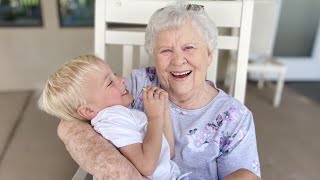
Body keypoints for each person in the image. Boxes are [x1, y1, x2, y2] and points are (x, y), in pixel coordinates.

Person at [57, 1, 262, 179]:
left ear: (209, 55)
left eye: (189, 47)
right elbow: (72, 118)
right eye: (166, 50)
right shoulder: (135, 86)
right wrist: (116, 169)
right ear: (153, 56)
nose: (178, 60)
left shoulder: (234, 118)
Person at [38, 55, 184, 180]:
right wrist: (155, 117)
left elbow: (168, 152)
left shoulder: (121, 114)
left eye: (115, 74)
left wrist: (163, 108)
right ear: (88, 110)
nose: (121, 80)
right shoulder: (111, 120)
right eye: (109, 83)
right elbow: (147, 167)